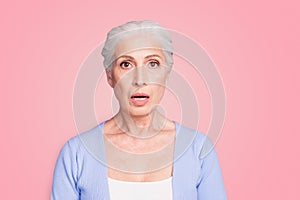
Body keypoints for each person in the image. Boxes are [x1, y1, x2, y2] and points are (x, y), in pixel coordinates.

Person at [51, 20, 227, 200]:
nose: (140, 80)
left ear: (167, 73)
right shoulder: (76, 153)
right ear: (110, 76)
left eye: (153, 64)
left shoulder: (198, 149)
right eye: (126, 64)